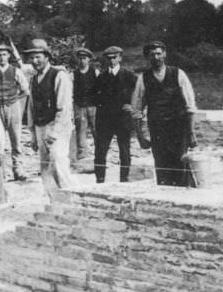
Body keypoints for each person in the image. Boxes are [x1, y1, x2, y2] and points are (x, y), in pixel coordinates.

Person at [129, 41, 198, 186]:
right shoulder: (143, 78)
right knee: (161, 165)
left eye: (159, 54)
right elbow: (136, 110)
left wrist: (191, 133)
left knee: (181, 164)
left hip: (178, 128)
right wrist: (140, 136)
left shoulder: (178, 74)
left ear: (164, 54)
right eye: (152, 54)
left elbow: (190, 107)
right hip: (158, 129)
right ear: (148, 57)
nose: (156, 57)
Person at [24, 39, 75, 194]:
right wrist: (33, 134)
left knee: (59, 163)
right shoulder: (33, 79)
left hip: (56, 126)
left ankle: (70, 197)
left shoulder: (59, 75)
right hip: (40, 127)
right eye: (32, 58)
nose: (34, 61)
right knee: (45, 167)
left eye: (38, 57)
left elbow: (64, 107)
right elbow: (31, 107)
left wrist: (55, 131)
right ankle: (53, 200)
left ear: (47, 57)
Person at [94, 46, 138, 183]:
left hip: (122, 119)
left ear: (120, 58)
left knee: (124, 151)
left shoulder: (129, 76)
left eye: (114, 57)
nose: (112, 60)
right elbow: (95, 97)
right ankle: (100, 180)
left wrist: (132, 106)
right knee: (100, 151)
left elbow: (138, 95)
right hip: (105, 119)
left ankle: (124, 180)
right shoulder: (101, 77)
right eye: (109, 58)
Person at [0, 43, 29, 181]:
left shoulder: (16, 71)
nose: (1, 57)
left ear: (9, 56)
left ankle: (18, 169)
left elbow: (25, 90)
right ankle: (2, 172)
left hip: (13, 106)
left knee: (16, 138)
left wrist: (14, 99)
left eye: (4, 54)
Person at [71, 48, 99, 162]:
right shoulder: (74, 74)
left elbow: (100, 88)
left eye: (85, 58)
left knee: (96, 128)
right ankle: (82, 153)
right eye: (80, 58)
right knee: (81, 129)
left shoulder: (95, 72)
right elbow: (71, 90)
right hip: (80, 106)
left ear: (89, 60)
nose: (82, 61)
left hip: (93, 105)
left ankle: (100, 150)